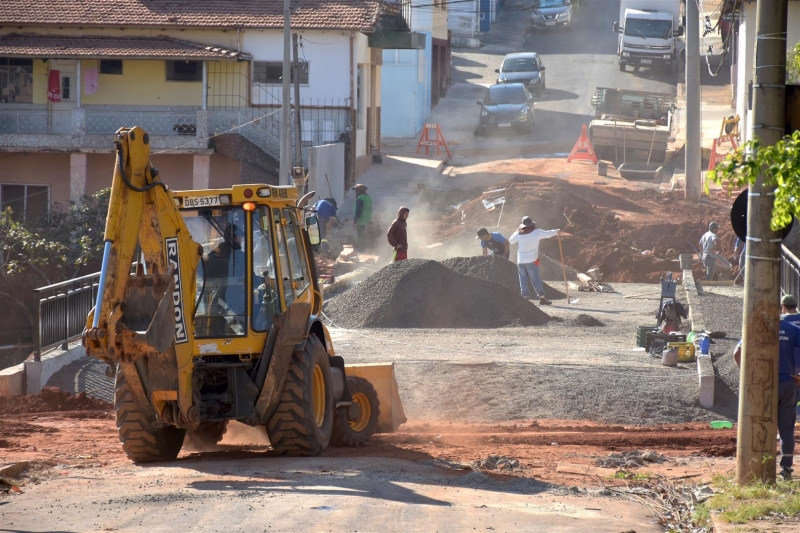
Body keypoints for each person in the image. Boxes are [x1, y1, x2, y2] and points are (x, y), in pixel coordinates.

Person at [734, 299, 800, 480]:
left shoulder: (756, 328)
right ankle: (786, 469)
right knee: (786, 429)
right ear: (780, 309)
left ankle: (758, 467)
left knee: (760, 425)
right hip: (787, 385)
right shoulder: (792, 329)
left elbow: (737, 353)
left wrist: (748, 376)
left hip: (763, 386)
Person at [508, 216, 559, 305]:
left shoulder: (519, 234)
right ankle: (542, 298)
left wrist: (517, 230)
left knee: (523, 279)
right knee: (535, 279)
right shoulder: (537, 232)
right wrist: (556, 231)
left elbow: (510, 241)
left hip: (521, 261)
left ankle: (525, 297)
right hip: (531, 261)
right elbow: (548, 233)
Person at [353, 184, 372, 256]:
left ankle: (361, 251)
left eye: (356, 190)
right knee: (362, 235)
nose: (355, 192)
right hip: (366, 219)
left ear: (359, 191)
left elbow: (358, 210)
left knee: (360, 236)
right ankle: (362, 250)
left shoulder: (360, 198)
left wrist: (355, 222)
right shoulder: (369, 197)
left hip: (360, 220)